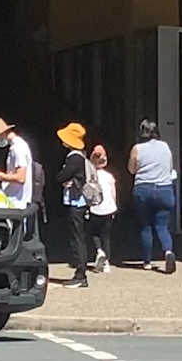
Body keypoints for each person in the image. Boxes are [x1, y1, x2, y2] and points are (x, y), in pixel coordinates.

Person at [128, 119, 177, 273]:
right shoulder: (165, 147)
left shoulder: (137, 148)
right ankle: (168, 251)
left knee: (145, 226)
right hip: (164, 189)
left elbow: (131, 170)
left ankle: (147, 261)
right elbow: (169, 168)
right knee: (163, 226)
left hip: (144, 189)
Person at [56, 122, 89, 288]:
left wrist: (60, 177)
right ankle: (80, 272)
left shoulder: (74, 157)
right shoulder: (80, 156)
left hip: (76, 201)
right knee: (78, 235)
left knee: (77, 237)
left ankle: (80, 274)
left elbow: (63, 175)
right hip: (78, 201)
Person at [0, 117, 33, 210]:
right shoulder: (16, 146)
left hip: (17, 202)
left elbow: (21, 178)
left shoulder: (18, 147)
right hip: (15, 200)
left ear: (1, 133)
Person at [88, 145, 117, 273]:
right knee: (106, 236)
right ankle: (107, 264)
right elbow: (113, 193)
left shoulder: (91, 176)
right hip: (109, 207)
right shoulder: (109, 176)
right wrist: (114, 207)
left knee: (94, 233)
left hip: (95, 207)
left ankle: (99, 251)